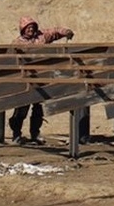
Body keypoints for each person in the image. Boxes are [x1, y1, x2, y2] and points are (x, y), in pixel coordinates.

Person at [10, 16, 74, 145]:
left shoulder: (41, 37)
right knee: (21, 109)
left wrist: (66, 32)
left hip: (41, 79)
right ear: (23, 29)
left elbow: (54, 32)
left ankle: (35, 134)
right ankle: (16, 134)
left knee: (38, 109)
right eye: (28, 28)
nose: (31, 29)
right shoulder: (17, 43)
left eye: (32, 27)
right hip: (25, 80)